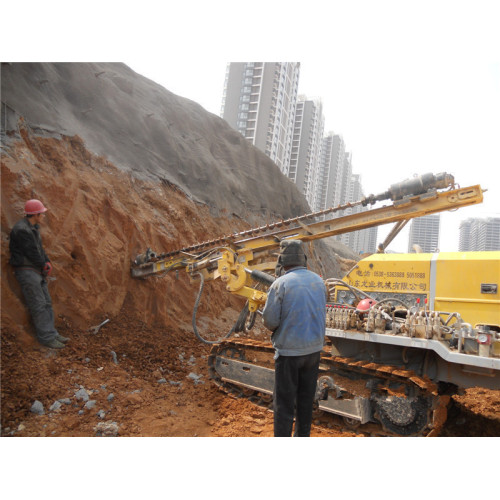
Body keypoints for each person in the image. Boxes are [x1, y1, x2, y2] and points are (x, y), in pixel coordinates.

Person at [262, 240, 327, 437]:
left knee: (284, 404)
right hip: (314, 351)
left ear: (282, 261)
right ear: (303, 260)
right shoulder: (319, 281)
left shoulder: (280, 284)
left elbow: (270, 321)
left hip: (289, 353)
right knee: (305, 402)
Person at [9, 199, 69, 349]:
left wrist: (46, 262)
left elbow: (40, 250)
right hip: (27, 271)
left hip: (35, 271)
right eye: (41, 213)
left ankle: (52, 333)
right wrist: (43, 264)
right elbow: (32, 253)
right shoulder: (22, 230)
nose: (43, 216)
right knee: (38, 305)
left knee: (46, 302)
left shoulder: (32, 228)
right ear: (35, 214)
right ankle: (46, 338)